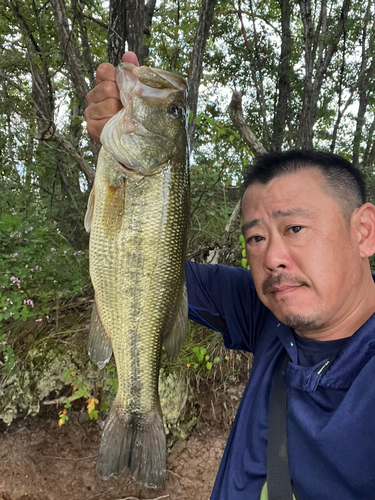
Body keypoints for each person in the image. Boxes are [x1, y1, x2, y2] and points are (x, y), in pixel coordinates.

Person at [85, 52, 375, 500]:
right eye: (256, 237)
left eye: (295, 228)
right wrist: (112, 151)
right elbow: (147, 270)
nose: (273, 257)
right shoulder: (269, 315)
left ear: (364, 232)